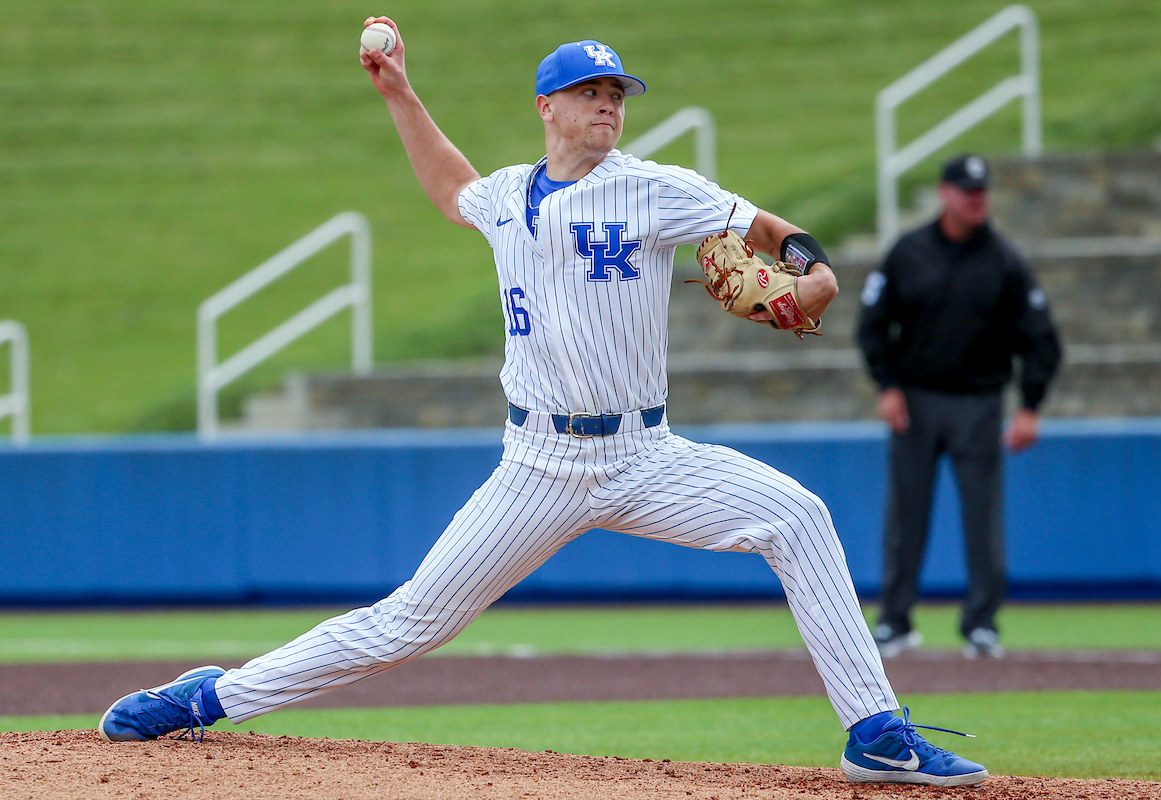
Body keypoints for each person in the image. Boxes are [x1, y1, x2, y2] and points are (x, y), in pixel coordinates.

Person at [97, 19, 988, 787]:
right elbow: (450, 187)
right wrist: (400, 93)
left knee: (796, 517)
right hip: (537, 467)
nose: (608, 104)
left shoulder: (650, 185)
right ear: (547, 108)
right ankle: (207, 697)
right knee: (407, 623)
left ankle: (875, 734)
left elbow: (761, 227)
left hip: (647, 458)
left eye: (617, 92)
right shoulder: (507, 198)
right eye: (589, 91)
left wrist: (811, 267)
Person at [857, 153, 1062, 660]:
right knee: (906, 516)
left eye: (982, 191)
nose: (977, 198)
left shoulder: (1005, 261)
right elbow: (872, 323)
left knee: (982, 517)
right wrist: (886, 386)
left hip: (979, 402)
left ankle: (981, 623)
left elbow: (1041, 338)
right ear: (945, 193)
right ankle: (896, 619)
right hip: (916, 401)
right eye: (967, 190)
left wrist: (1030, 405)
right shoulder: (909, 252)